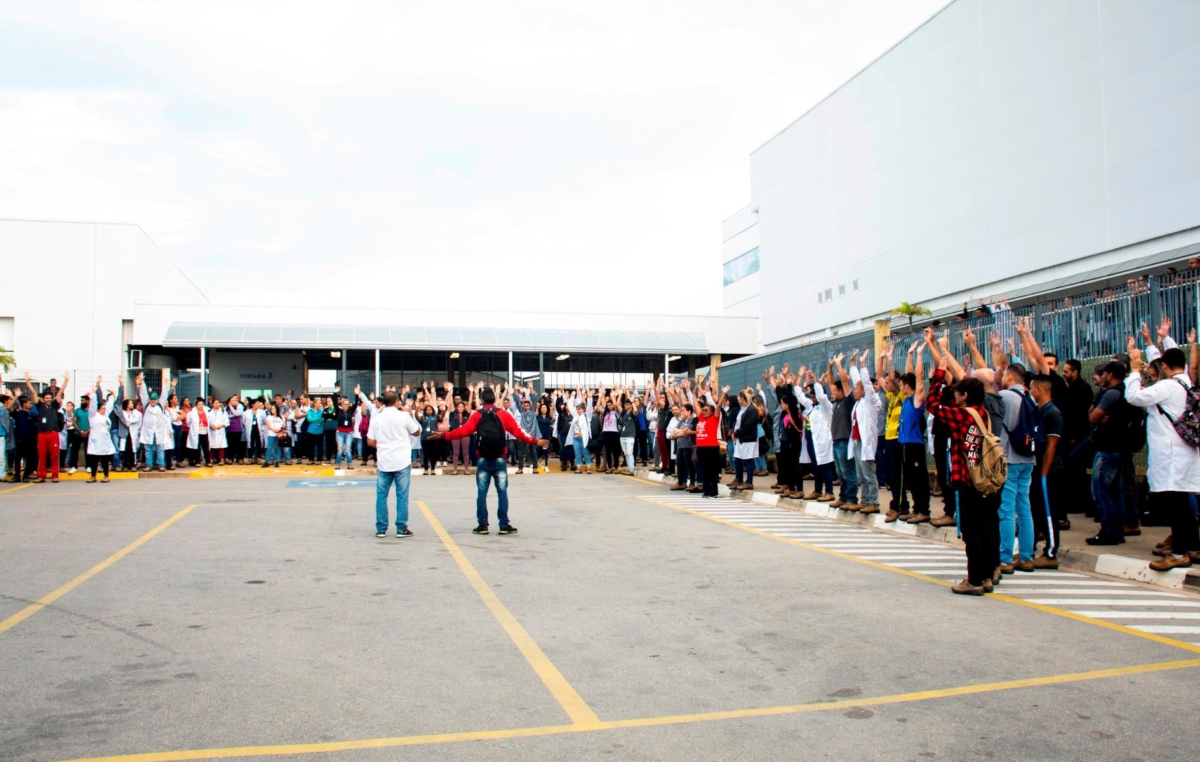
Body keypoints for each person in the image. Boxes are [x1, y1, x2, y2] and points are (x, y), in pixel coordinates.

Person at [926, 360, 1001, 596]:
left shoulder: (961, 415)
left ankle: (974, 580)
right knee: (986, 527)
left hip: (968, 480)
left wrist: (938, 375)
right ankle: (987, 576)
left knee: (971, 533)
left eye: (957, 393)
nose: (954, 397)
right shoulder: (983, 415)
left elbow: (932, 405)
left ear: (965, 395)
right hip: (986, 480)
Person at [429, 386, 547, 535]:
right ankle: (504, 524)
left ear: (482, 400)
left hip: (483, 459)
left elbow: (463, 431)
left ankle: (483, 525)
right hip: (499, 458)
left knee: (482, 493)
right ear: (495, 399)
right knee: (502, 492)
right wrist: (536, 441)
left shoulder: (477, 415)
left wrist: (444, 436)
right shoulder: (503, 415)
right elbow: (519, 432)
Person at [1124, 344, 1200, 570]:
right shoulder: (1186, 382)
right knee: (1184, 505)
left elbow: (1134, 396)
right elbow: (1163, 362)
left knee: (1176, 506)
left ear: (1165, 366)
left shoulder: (1167, 386)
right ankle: (1194, 549)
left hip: (1170, 455)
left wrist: (1135, 370)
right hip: (1186, 451)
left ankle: (1177, 554)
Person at [1086, 361, 1132, 546]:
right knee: (1115, 491)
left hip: (1108, 449)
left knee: (1101, 491)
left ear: (1110, 375)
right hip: (1119, 448)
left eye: (1103, 374)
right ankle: (1117, 529)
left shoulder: (1111, 393)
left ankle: (1108, 530)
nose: (1100, 376)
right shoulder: (1125, 392)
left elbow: (1091, 417)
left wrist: (1099, 412)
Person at [365, 386, 421, 538]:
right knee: (402, 495)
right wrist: (409, 414)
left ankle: (381, 528)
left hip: (384, 460)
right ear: (397, 402)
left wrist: (383, 444)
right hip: (401, 460)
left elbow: (370, 441)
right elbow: (417, 431)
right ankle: (401, 527)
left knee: (381, 495)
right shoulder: (403, 416)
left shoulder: (376, 418)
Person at [1029, 375, 1064, 569]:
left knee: (1049, 512)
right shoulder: (1039, 411)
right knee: (1036, 510)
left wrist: (1043, 473)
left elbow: (1051, 447)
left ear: (1040, 389)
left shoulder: (1053, 413)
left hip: (1049, 471)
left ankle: (1051, 553)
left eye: (1032, 388)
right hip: (1037, 469)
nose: (1031, 392)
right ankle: (1030, 548)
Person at [25, 371, 69, 483]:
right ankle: (41, 476)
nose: (49, 399)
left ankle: (55, 475)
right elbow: (33, 393)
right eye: (47, 398)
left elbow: (60, 393)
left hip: (53, 434)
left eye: (50, 398)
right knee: (42, 456)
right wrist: (28, 382)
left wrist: (66, 380)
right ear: (43, 399)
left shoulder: (54, 405)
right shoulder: (39, 406)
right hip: (41, 434)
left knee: (54, 456)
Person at [137, 371, 172, 472]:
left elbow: (164, 394)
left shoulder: (160, 405)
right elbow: (143, 393)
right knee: (148, 449)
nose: (152, 400)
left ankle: (161, 464)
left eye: (154, 399)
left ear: (157, 400)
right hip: (148, 431)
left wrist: (166, 384)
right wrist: (142, 382)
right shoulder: (146, 405)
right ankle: (149, 465)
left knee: (160, 448)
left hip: (159, 431)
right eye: (151, 399)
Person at [86, 387, 117, 483]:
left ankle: (106, 476)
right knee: (94, 459)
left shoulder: (106, 415)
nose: (104, 410)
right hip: (96, 441)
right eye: (103, 408)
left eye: (104, 408)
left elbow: (110, 404)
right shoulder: (93, 416)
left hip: (105, 441)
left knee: (105, 459)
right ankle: (93, 476)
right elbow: (93, 405)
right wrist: (94, 393)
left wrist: (112, 395)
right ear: (98, 409)